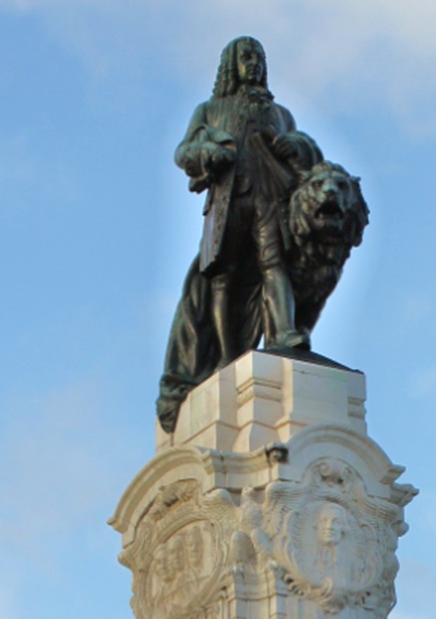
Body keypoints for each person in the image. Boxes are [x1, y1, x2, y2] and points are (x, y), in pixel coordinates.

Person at [158, 37, 322, 431]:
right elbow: (185, 151)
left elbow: (307, 149)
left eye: (259, 58)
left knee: (274, 264)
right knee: (223, 277)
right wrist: (208, 152)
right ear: (232, 65)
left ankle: (285, 333)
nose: (254, 64)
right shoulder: (211, 109)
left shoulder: (279, 114)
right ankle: (230, 355)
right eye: (247, 57)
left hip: (269, 199)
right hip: (228, 202)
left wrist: (294, 143)